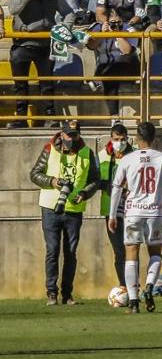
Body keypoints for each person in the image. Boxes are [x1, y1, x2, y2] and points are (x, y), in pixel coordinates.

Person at [108, 121, 162, 314]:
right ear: (154, 138)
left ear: (137, 139)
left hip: (132, 213)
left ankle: (133, 301)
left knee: (131, 255)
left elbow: (116, 188)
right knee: (155, 253)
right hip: (154, 212)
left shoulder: (127, 159)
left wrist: (112, 214)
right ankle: (148, 285)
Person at [29, 120, 101, 306]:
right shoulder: (49, 149)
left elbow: (95, 180)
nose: (71, 138)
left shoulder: (87, 152)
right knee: (52, 250)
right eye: (68, 135)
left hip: (74, 210)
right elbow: (34, 174)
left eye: (75, 135)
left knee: (70, 252)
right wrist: (52, 181)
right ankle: (51, 293)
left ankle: (67, 294)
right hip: (50, 207)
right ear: (62, 133)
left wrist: (85, 194)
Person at [8, 0, 57, 128]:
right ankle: (21, 117)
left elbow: (67, 11)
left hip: (44, 45)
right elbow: (13, 9)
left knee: (47, 84)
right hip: (22, 44)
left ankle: (49, 117)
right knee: (20, 84)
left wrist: (66, 26)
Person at [96, 123, 134, 290]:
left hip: (132, 208)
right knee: (119, 250)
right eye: (117, 139)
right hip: (110, 209)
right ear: (111, 139)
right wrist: (105, 184)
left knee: (132, 249)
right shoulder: (101, 156)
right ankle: (124, 285)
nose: (120, 142)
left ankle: (134, 285)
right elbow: (94, 179)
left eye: (123, 139)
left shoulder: (134, 155)